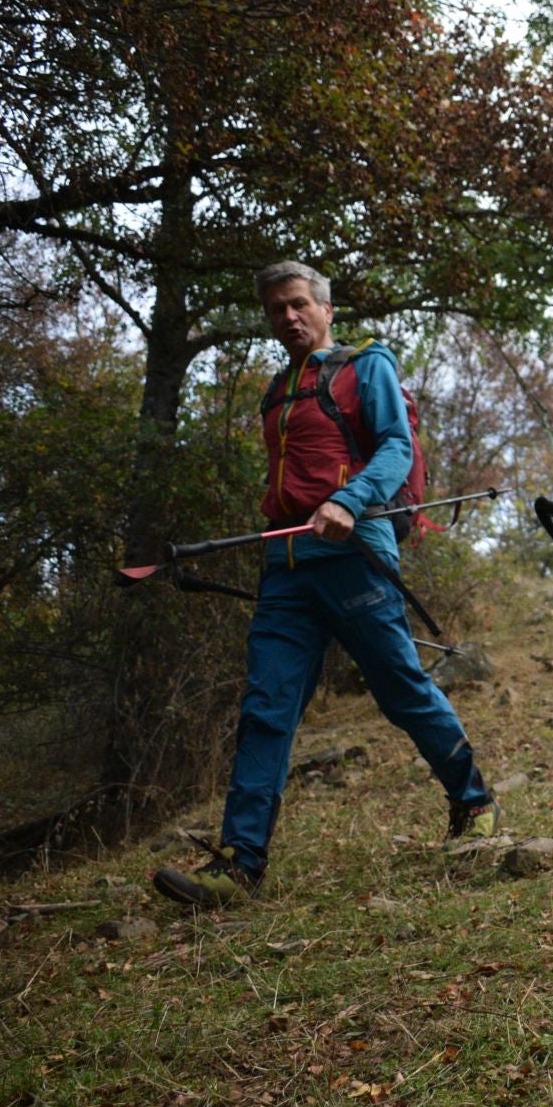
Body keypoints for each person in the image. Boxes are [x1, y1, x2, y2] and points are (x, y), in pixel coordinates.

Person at [153, 261, 498, 907]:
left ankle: (474, 802)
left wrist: (350, 499)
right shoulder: (276, 390)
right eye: (276, 309)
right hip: (285, 566)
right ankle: (241, 865)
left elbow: (395, 447)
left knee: (399, 689)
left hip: (352, 552)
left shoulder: (365, 367)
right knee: (266, 707)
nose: (288, 317)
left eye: (298, 304)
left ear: (326, 308)